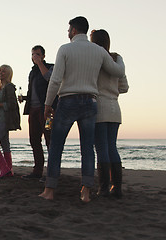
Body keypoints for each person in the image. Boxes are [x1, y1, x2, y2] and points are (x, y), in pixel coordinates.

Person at [39, 16, 125, 202]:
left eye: (69, 29)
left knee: (56, 147)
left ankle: (50, 190)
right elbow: (118, 72)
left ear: (74, 30)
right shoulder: (98, 51)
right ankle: (85, 192)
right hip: (90, 102)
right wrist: (120, 60)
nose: (67, 32)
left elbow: (55, 80)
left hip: (68, 100)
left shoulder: (65, 49)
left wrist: (47, 104)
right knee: (87, 148)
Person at [90, 29, 129, 198]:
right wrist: (113, 90)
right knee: (112, 147)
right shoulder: (116, 60)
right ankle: (117, 188)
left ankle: (104, 187)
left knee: (101, 148)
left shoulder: (95, 59)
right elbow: (124, 87)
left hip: (100, 106)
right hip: (115, 107)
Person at [19, 45, 55, 180]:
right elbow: (33, 92)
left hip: (46, 110)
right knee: (34, 140)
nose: (34, 57)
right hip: (33, 110)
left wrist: (40, 63)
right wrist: (25, 98)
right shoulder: (32, 72)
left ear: (43, 56)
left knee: (49, 140)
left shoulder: (50, 67)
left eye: (37, 54)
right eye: (33, 54)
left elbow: (49, 78)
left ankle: (51, 172)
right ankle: (37, 171)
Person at [0, 65, 21, 178]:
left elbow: (12, 104)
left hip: (5, 120)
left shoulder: (9, 87)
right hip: (0, 118)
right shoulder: (1, 88)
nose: (0, 73)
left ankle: (4, 169)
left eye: (3, 71)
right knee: (5, 144)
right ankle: (9, 170)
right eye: (0, 71)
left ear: (8, 74)